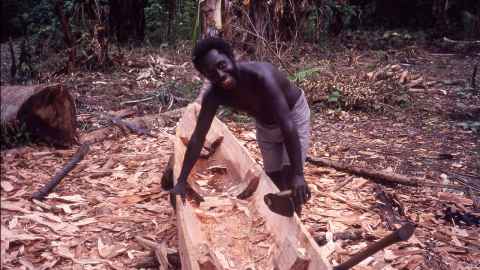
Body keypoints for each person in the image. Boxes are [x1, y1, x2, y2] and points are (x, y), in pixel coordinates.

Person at [172, 37, 311, 211]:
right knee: (274, 180)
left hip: (292, 116)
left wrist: (298, 174)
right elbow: (198, 137)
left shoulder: (262, 77)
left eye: (222, 66)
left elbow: (287, 124)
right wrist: (181, 180)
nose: (221, 75)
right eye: (212, 74)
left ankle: (295, 224)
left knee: (290, 178)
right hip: (265, 125)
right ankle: (284, 214)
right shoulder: (214, 95)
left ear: (231, 58)